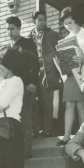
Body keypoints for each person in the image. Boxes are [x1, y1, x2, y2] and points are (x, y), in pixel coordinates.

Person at [6, 16, 39, 158]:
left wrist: (33, 82)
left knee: (25, 117)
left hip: (26, 86)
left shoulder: (27, 43)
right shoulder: (9, 47)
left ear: (19, 28)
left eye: (12, 29)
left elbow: (35, 64)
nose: (9, 32)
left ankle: (26, 151)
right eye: (7, 29)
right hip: (13, 87)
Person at [57, 7, 84, 147]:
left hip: (83, 74)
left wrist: (83, 58)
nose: (68, 26)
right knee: (69, 105)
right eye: (65, 24)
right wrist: (60, 61)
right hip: (71, 75)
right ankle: (66, 136)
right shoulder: (66, 39)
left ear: (76, 20)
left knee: (81, 106)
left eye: (70, 22)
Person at [29, 10, 62, 138]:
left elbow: (60, 51)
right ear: (34, 21)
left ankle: (47, 129)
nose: (42, 22)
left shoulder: (53, 35)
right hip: (33, 72)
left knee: (47, 102)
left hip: (48, 71)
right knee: (33, 101)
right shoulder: (28, 37)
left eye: (44, 19)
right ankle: (37, 129)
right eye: (39, 20)